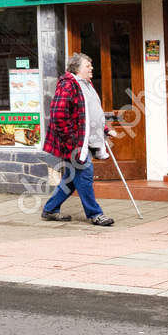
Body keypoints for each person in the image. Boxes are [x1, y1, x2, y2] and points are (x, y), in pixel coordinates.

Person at [40, 52, 114, 226]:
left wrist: (104, 129)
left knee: (71, 179)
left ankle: (50, 209)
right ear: (77, 68)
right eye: (88, 65)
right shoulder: (68, 85)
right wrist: (72, 142)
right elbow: (58, 116)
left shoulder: (86, 84)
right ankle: (95, 214)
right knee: (85, 175)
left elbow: (89, 114)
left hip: (84, 141)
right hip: (75, 144)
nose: (92, 68)